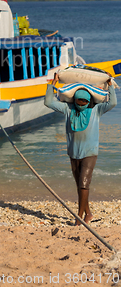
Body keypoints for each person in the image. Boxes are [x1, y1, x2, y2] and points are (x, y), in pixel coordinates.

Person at [45, 73, 117, 225]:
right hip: (73, 153)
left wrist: (110, 87)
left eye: (85, 100)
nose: (82, 102)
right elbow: (49, 102)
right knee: (80, 185)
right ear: (75, 100)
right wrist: (53, 83)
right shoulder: (68, 109)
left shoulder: (96, 110)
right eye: (79, 100)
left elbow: (112, 104)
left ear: (89, 100)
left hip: (90, 153)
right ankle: (88, 213)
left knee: (84, 183)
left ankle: (79, 217)